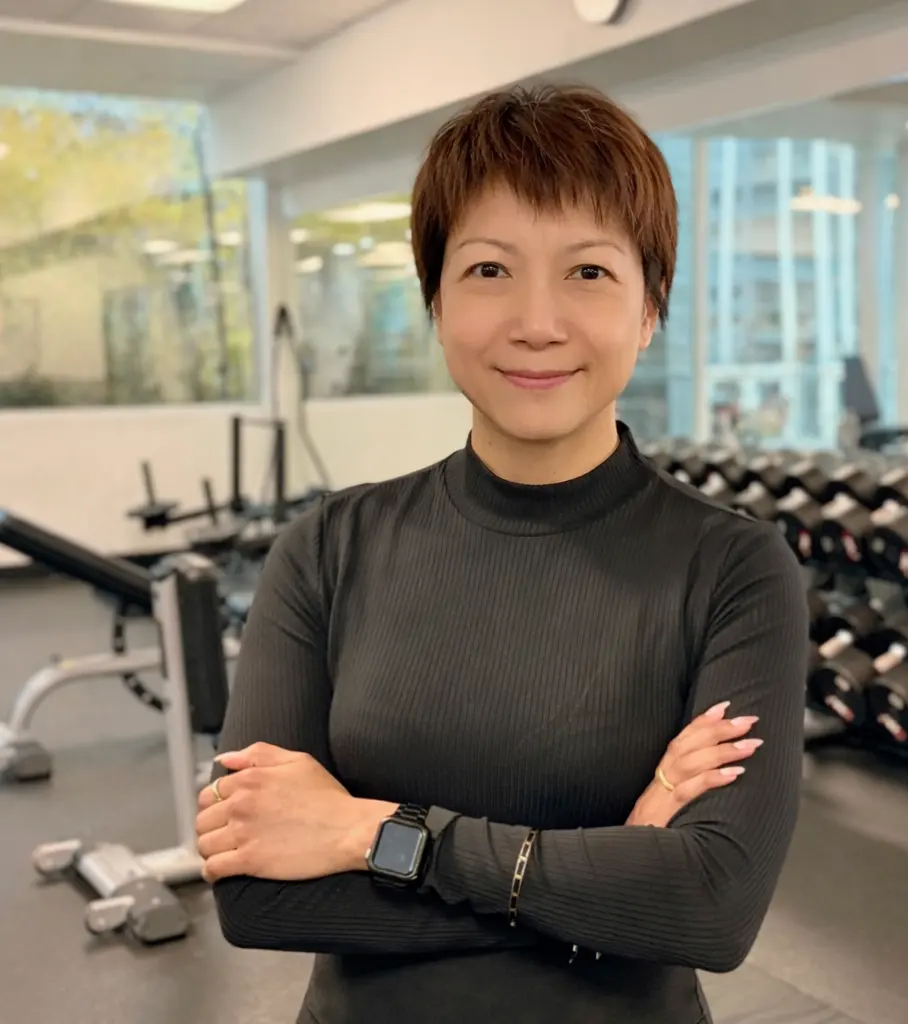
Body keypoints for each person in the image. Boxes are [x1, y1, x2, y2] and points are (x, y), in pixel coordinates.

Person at [194, 84, 808, 1024]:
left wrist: (369, 831)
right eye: (489, 269)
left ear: (650, 307)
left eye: (588, 271)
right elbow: (257, 896)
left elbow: (711, 907)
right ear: (436, 301)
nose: (537, 321)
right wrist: (610, 886)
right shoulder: (325, 550)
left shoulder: (734, 569)